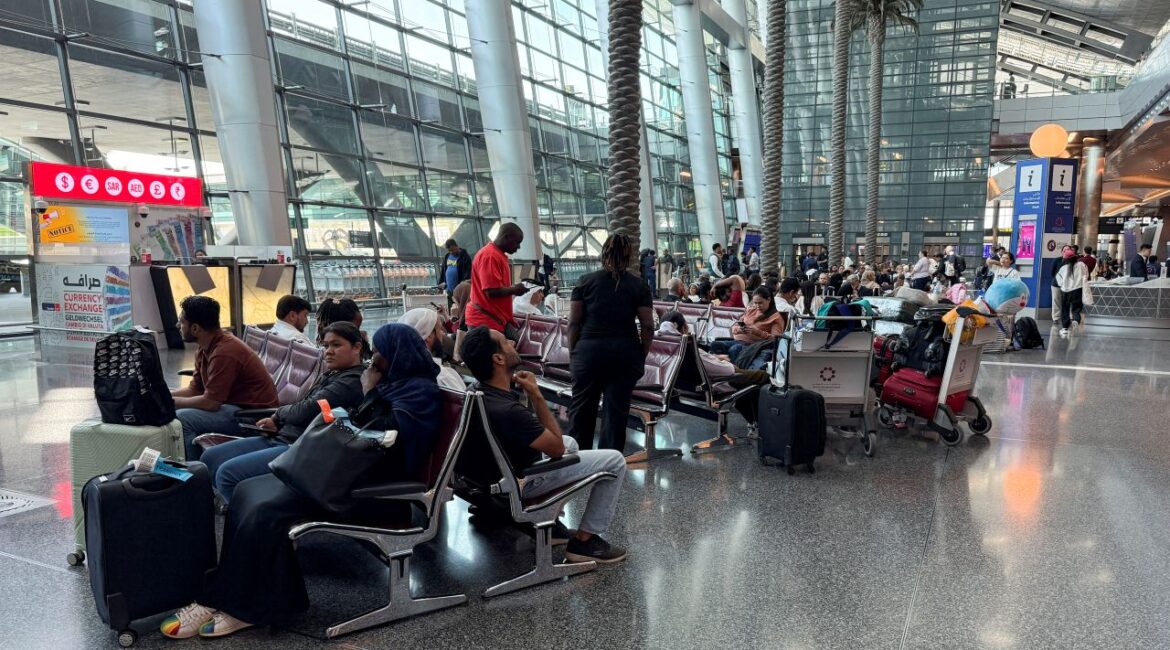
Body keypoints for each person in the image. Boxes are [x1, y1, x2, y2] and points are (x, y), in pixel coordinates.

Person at [160, 324, 440, 639]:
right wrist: (371, 393)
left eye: (380, 353)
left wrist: (370, 391)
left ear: (399, 354)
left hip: (371, 493)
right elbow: (363, 428)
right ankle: (228, 595)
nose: (374, 359)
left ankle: (243, 608)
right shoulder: (394, 384)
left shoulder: (420, 392)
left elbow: (389, 439)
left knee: (266, 510)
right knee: (247, 491)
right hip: (346, 477)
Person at [460, 325, 628, 563]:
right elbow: (556, 447)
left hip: (490, 479)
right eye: (505, 342)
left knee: (571, 443)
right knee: (615, 461)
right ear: (498, 359)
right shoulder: (507, 411)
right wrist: (536, 395)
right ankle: (585, 542)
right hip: (518, 483)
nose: (512, 342)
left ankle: (549, 523)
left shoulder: (476, 392)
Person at [199, 322, 366, 503]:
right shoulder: (334, 374)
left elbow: (306, 410)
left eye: (336, 345)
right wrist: (278, 421)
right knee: (210, 457)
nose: (328, 351)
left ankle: (247, 513)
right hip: (282, 436)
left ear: (356, 347)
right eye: (326, 346)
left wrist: (278, 415)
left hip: (299, 447)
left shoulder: (352, 381)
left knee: (227, 474)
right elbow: (306, 408)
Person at [567, 234, 654, 453]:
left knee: (581, 410)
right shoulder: (638, 285)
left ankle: (578, 460)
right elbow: (647, 326)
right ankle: (609, 463)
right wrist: (640, 354)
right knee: (616, 414)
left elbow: (574, 323)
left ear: (603, 252)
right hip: (624, 354)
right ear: (629, 255)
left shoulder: (585, 281)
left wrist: (574, 354)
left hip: (588, 353)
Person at [170, 297, 278, 460]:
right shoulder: (205, 347)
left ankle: (195, 470)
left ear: (195, 328)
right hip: (232, 406)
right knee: (173, 408)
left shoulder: (225, 352)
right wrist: (164, 395)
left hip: (252, 416)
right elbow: (195, 389)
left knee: (183, 418)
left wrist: (169, 402)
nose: (178, 325)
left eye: (182, 321)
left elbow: (211, 403)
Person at [657, 311, 769, 431]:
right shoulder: (688, 347)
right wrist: (727, 363)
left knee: (746, 383)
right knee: (763, 376)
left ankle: (755, 421)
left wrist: (715, 357)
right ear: (683, 327)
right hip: (717, 383)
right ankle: (766, 425)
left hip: (685, 387)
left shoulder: (663, 345)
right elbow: (726, 371)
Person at [466, 223, 528, 336]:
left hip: (494, 320)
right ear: (506, 237)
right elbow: (491, 291)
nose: (518, 247)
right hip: (486, 322)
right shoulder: (490, 256)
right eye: (517, 242)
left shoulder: (494, 254)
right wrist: (515, 289)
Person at [710, 287, 785, 363]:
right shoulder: (751, 310)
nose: (757, 306)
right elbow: (736, 325)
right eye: (755, 303)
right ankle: (723, 366)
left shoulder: (776, 318)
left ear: (769, 299)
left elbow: (775, 339)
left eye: (760, 303)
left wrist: (757, 332)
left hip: (754, 346)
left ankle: (730, 367)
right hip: (738, 341)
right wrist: (740, 329)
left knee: (735, 349)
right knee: (715, 345)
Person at [400, 307, 466, 391]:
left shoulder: (401, 372)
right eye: (440, 329)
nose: (443, 334)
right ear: (429, 336)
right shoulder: (442, 376)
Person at [1055, 245, 1088, 337]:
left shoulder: (1063, 268)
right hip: (1078, 290)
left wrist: (1063, 285)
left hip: (1065, 291)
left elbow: (1058, 279)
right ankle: (1076, 320)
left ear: (1066, 259)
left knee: (1065, 309)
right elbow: (1086, 275)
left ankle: (1065, 328)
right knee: (1076, 308)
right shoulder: (1081, 265)